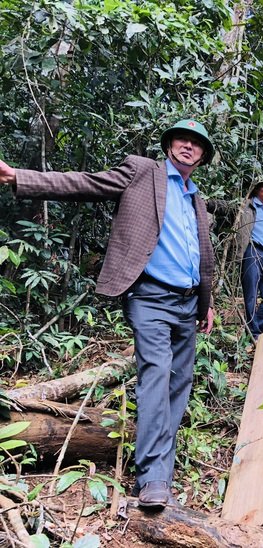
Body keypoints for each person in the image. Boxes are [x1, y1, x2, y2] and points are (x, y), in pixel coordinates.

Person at [0, 119, 216, 510]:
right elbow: (85, 183)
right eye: (182, 139)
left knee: (178, 386)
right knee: (155, 377)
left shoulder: (195, 198)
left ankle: (161, 465)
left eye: (196, 143)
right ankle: (153, 479)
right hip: (150, 298)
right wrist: (19, 176)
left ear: (202, 156)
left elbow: (203, 256)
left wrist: (207, 302)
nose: (188, 146)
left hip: (188, 305)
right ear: (170, 145)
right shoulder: (142, 172)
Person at [208, 174, 263, 341]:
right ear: (256, 188)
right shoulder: (244, 205)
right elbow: (225, 206)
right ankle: (254, 335)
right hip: (251, 250)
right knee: (251, 295)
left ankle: (257, 329)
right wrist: (208, 203)